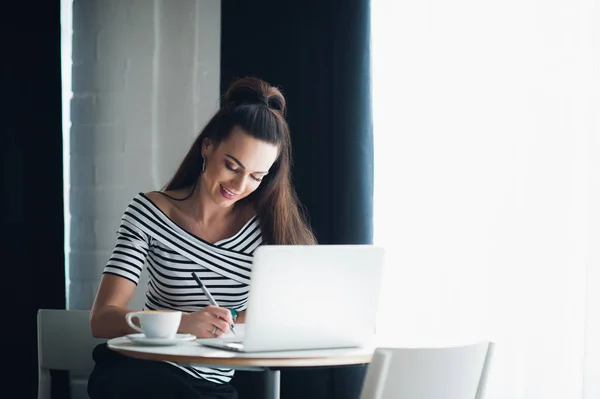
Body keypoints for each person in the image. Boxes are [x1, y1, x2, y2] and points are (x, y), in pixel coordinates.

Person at [87, 76, 317, 399]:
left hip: (210, 388)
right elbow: (102, 319)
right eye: (232, 166)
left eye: (255, 176)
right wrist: (184, 323)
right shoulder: (151, 213)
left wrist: (232, 319)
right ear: (207, 147)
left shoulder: (266, 229)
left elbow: (281, 314)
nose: (239, 185)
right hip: (138, 372)